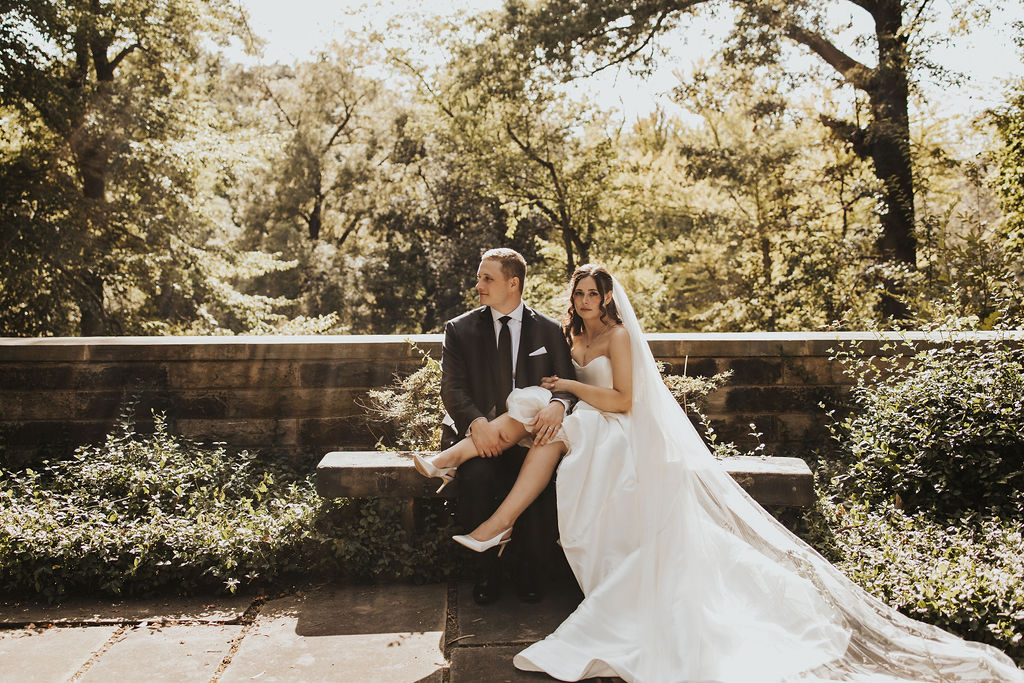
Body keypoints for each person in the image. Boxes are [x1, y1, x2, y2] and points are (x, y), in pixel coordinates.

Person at [423, 263, 1024, 682]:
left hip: (613, 426)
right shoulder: (569, 333)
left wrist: (567, 390)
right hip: (581, 419)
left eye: (591, 295)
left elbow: (626, 401)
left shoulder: (620, 337)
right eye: (577, 294)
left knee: (545, 434)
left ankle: (489, 514)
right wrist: (558, 396)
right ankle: (472, 488)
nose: (583, 302)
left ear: (608, 298)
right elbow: (553, 382)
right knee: (534, 420)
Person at [418, 248, 575, 605]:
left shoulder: (549, 330)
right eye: (479, 277)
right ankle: (487, 574)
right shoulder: (460, 329)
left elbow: (567, 384)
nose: (478, 285)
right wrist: (477, 424)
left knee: (542, 483)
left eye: (486, 278)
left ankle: (529, 573)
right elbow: (453, 388)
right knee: (477, 479)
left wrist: (556, 405)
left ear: (513, 283)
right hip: (480, 435)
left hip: (531, 437)